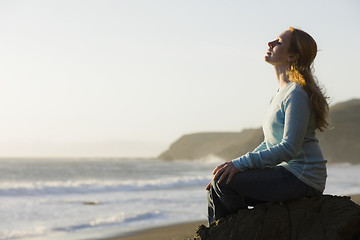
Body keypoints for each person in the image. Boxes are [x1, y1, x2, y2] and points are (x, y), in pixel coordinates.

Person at [206, 27, 329, 224]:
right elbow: (270, 144)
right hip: (287, 173)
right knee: (219, 183)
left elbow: (288, 148)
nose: (270, 44)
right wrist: (234, 166)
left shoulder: (296, 94)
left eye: (278, 42)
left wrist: (239, 165)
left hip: (302, 177)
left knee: (225, 185)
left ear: (292, 56)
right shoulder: (280, 93)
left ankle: (242, 231)